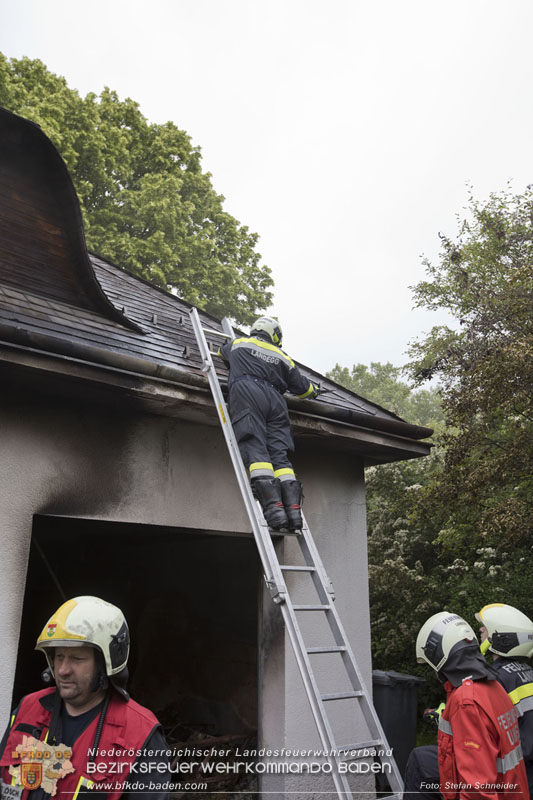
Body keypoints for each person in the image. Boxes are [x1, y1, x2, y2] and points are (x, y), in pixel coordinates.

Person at [0, 596, 173, 799]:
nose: (63, 670)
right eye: (59, 657)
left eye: (77, 659)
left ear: (105, 664)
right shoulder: (28, 709)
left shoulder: (140, 734)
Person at [404, 611, 528, 800]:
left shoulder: (466, 702)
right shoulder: (493, 686)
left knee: (419, 761)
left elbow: (478, 791)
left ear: (441, 656)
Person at [219, 315, 320, 531]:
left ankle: (274, 510)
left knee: (254, 445)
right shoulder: (283, 356)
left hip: (247, 392)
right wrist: (316, 390)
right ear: (275, 335)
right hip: (276, 400)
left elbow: (221, 352)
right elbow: (304, 389)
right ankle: (293, 512)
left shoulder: (238, 343)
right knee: (278, 454)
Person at [477, 604, 533, 796]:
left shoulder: (497, 679)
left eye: (485, 628)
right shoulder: (528, 672)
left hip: (515, 773)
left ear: (500, 638)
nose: (480, 631)